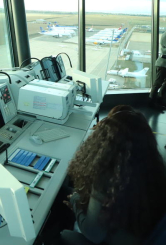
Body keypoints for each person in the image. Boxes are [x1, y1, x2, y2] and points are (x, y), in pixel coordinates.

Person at [60, 106, 166, 245]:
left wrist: (75, 201)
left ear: (104, 143)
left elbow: (94, 234)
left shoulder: (107, 177)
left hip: (110, 239)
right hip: (137, 236)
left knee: (63, 234)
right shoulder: (155, 168)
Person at [149, 31, 166, 110]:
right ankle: (152, 102)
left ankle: (160, 100)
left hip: (163, 62)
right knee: (158, 83)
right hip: (163, 63)